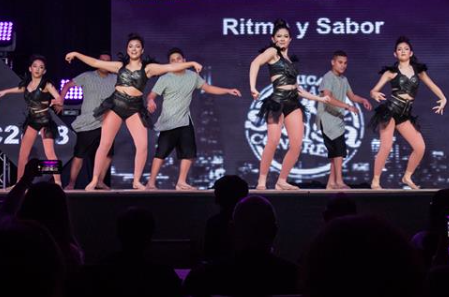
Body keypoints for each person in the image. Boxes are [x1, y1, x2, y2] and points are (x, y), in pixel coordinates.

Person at [65, 33, 202, 190]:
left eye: (137, 46)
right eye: (131, 46)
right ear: (127, 49)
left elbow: (170, 67)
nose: (134, 49)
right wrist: (76, 54)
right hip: (116, 105)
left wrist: (190, 63)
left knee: (142, 145)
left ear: (142, 50)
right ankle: (95, 179)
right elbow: (95, 62)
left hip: (134, 108)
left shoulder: (148, 68)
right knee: (105, 143)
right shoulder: (119, 67)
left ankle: (136, 181)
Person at [248, 19, 329, 190]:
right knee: (273, 141)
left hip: (293, 101)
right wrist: (253, 87)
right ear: (273, 39)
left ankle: (281, 181)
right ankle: (262, 180)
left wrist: (319, 99)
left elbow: (297, 88)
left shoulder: (289, 59)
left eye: (286, 36)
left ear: (291, 39)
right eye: (279, 36)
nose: (282, 39)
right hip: (277, 101)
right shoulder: (272, 52)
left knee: (296, 144)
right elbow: (255, 63)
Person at [146, 47, 241, 190]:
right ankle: (151, 183)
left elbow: (208, 88)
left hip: (185, 119)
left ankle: (181, 182)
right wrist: (151, 101)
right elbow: (151, 95)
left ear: (184, 60)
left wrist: (228, 90)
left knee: (189, 152)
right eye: (172, 60)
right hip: (169, 120)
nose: (176, 62)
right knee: (161, 153)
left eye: (178, 59)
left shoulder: (192, 76)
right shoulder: (165, 78)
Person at [369, 36, 447, 190]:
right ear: (395, 54)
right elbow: (373, 90)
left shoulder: (418, 71)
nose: (402, 51)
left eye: (405, 49)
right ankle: (375, 181)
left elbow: (432, 85)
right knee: (386, 146)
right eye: (399, 49)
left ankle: (407, 177)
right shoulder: (391, 72)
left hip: (405, 114)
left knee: (420, 147)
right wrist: (374, 94)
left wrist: (443, 98)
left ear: (411, 53)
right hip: (390, 111)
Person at [0, 55, 63, 185]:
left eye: (41, 67)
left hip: (45, 121)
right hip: (32, 120)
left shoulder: (46, 84)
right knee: (23, 154)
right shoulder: (27, 85)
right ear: (30, 68)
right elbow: (16, 89)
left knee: (50, 153)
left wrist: (53, 101)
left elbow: (59, 99)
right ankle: (19, 183)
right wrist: (3, 92)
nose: (38, 69)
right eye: (35, 66)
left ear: (44, 71)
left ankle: (58, 182)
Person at [56, 51, 117, 190]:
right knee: (79, 155)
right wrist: (61, 99)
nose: (104, 63)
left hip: (107, 122)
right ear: (97, 62)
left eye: (108, 61)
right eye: (102, 60)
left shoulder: (115, 78)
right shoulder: (87, 76)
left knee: (108, 154)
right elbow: (67, 86)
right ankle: (72, 183)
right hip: (88, 122)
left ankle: (100, 181)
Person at [316, 50, 372, 190]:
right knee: (339, 151)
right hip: (327, 119)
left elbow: (352, 96)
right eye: (340, 62)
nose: (343, 65)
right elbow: (328, 99)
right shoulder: (327, 77)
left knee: (336, 153)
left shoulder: (344, 79)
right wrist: (347, 106)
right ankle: (339, 182)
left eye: (345, 63)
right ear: (333, 62)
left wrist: (363, 100)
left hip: (338, 120)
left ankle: (331, 183)